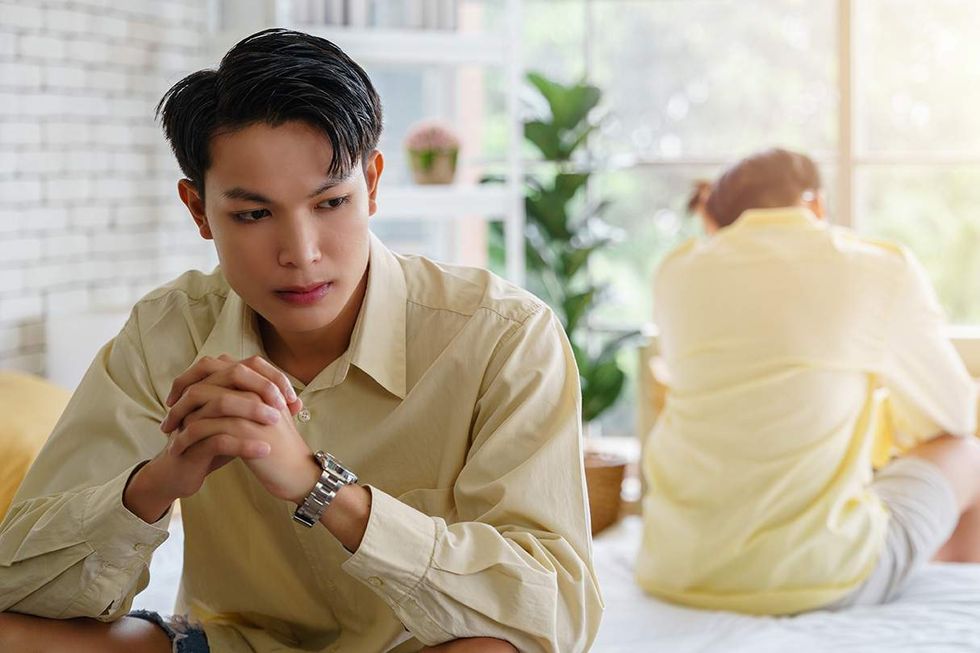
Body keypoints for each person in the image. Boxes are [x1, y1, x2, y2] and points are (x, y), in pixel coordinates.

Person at [0, 29, 602, 653]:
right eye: (254, 214)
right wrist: (158, 480)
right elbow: (19, 587)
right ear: (199, 210)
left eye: (331, 202)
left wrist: (321, 489)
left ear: (372, 183)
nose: (301, 253)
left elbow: (553, 610)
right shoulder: (166, 333)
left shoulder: (503, 335)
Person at [636, 147, 979, 615]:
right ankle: (955, 605)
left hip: (676, 570)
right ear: (816, 204)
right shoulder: (875, 267)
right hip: (819, 578)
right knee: (966, 452)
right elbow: (952, 414)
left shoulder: (675, 273)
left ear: (716, 219)